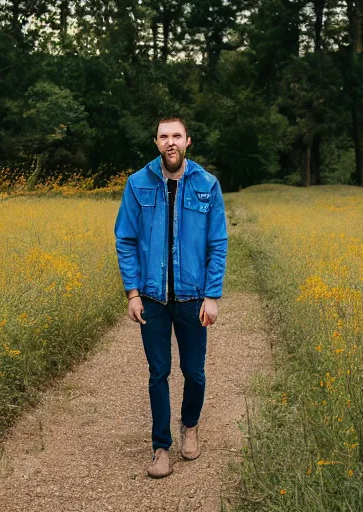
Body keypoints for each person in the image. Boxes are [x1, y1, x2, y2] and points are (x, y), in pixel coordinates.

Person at [114, 117, 228, 478]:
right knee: (157, 372)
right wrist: (132, 293)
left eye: (176, 136)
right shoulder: (137, 184)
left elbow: (217, 243)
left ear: (188, 141)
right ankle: (160, 447)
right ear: (156, 143)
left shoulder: (207, 185)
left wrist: (212, 295)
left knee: (193, 372)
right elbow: (126, 240)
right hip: (152, 299)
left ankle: (189, 425)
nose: (171, 142)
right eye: (164, 137)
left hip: (194, 298)